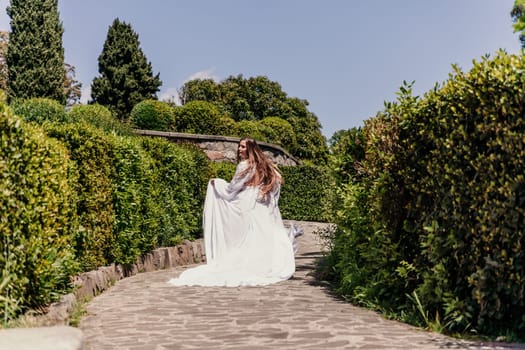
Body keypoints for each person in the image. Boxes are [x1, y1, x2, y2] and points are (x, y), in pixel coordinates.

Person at [167, 137, 296, 287]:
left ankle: (246, 264)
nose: (239, 149)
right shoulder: (263, 165)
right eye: (239, 146)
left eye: (242, 147)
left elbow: (231, 189)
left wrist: (216, 183)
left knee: (245, 235)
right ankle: (262, 264)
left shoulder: (245, 166)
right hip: (261, 204)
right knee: (259, 235)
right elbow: (278, 179)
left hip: (246, 202)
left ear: (250, 149)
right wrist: (264, 191)